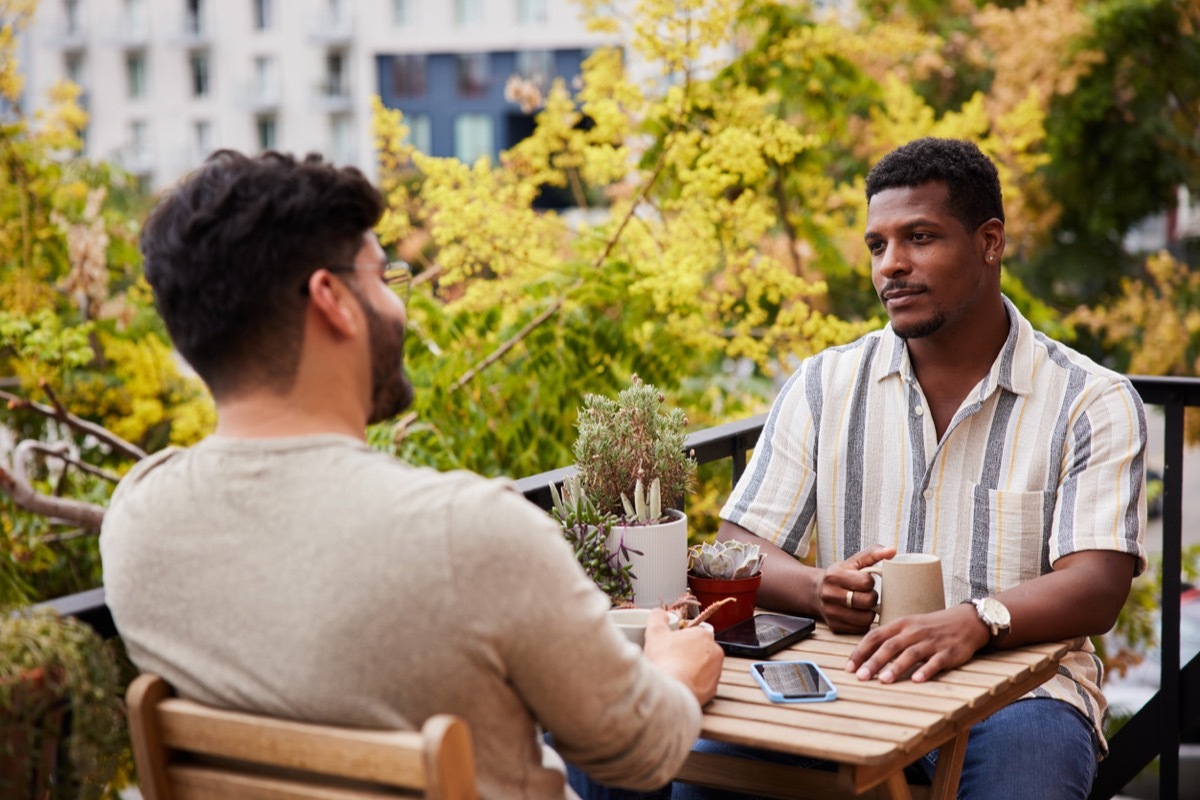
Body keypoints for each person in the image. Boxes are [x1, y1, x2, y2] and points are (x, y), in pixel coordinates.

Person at [99, 150, 724, 800]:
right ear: (332, 299)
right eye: (383, 276)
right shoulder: (469, 531)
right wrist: (675, 674)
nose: (398, 305)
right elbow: (641, 753)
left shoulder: (136, 520)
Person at [676, 137, 1147, 800]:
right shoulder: (823, 383)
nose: (891, 266)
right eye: (877, 245)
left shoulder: (1089, 400)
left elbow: (1097, 585)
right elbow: (738, 545)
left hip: (1022, 701)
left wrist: (976, 619)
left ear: (989, 243)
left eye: (920, 237)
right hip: (849, 683)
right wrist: (817, 589)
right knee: (702, 776)